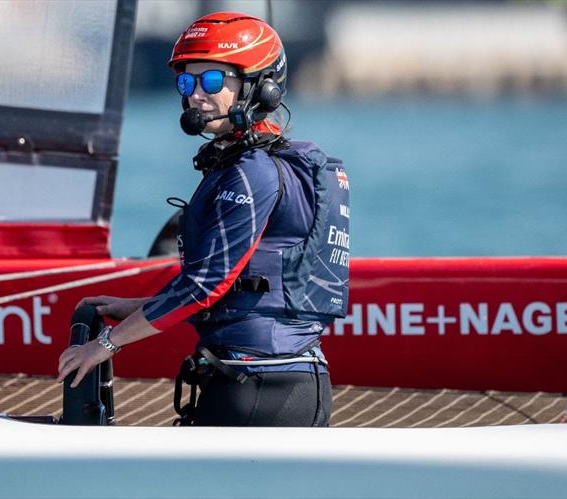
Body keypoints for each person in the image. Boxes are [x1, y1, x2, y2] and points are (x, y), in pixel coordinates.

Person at [57, 12, 349, 426]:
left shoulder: (252, 172)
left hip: (255, 389)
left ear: (259, 88)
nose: (195, 95)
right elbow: (240, 292)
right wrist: (137, 306)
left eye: (212, 81)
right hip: (278, 382)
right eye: (187, 82)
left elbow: (204, 286)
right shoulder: (257, 165)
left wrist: (104, 345)